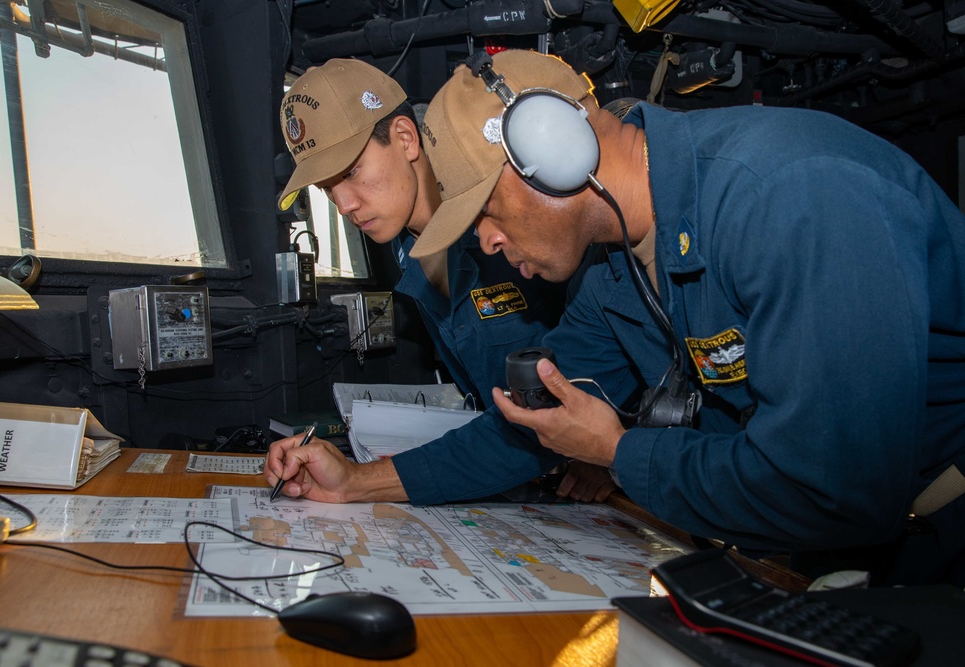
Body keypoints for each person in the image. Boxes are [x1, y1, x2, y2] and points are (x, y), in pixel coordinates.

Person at [404, 49, 965, 586]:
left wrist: (617, 452)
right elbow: (535, 420)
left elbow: (831, 490)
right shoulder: (614, 265)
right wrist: (358, 483)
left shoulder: (792, 196)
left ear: (555, 151)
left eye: (485, 212)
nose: (488, 241)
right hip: (824, 551)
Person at [266, 58, 616, 503]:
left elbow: (616, 344)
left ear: (405, 138)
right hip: (516, 474)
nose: (346, 205)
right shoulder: (406, 251)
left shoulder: (514, 215)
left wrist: (610, 455)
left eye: (351, 173)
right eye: (327, 191)